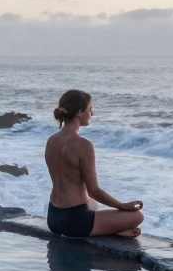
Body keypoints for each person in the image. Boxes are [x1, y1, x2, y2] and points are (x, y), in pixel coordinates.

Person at [45, 89, 145, 238]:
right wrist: (122, 205)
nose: (92, 114)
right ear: (79, 112)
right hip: (76, 223)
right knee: (137, 216)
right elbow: (95, 191)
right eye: (90, 109)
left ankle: (110, 227)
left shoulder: (52, 140)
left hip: (53, 218)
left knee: (91, 203)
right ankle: (114, 229)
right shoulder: (84, 145)